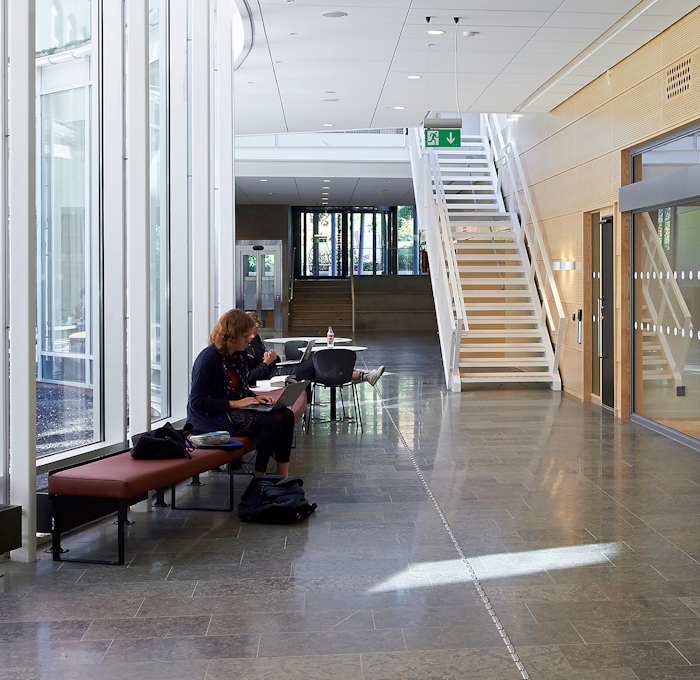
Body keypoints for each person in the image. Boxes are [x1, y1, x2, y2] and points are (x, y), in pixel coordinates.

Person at [187, 309, 295, 477]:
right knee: (273, 419)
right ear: (231, 335)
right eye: (245, 336)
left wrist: (255, 397)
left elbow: (241, 388)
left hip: (231, 410)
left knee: (287, 415)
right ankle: (260, 475)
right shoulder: (208, 358)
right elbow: (197, 402)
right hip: (210, 418)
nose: (250, 339)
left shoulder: (239, 354)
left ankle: (283, 475)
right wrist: (236, 403)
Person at [245, 311, 279, 384]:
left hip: (271, 370)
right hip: (265, 377)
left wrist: (271, 356)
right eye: (251, 333)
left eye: (255, 333)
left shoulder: (255, 338)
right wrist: (266, 362)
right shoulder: (243, 347)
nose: (253, 336)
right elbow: (249, 376)